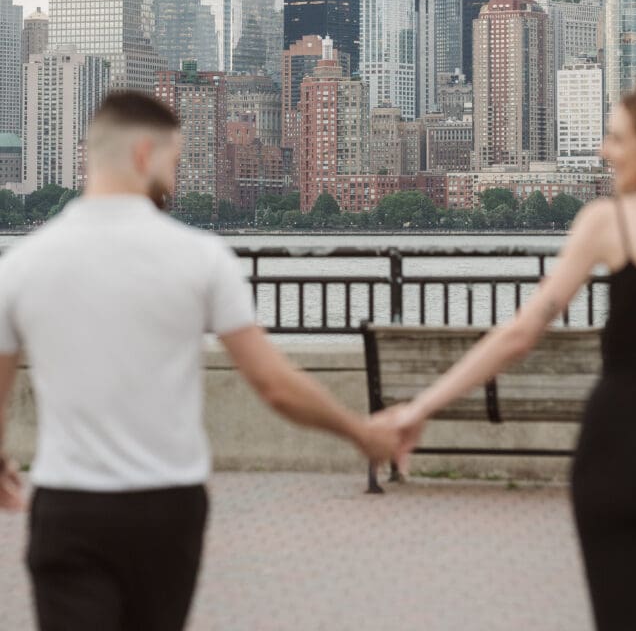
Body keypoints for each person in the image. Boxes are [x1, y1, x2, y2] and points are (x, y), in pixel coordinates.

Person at [392, 89, 636, 630]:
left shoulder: (606, 223)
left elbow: (520, 334)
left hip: (614, 455)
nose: (605, 152)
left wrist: (419, 408)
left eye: (617, 139)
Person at [0, 91, 399, 631]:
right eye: (174, 161)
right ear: (144, 154)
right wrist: (360, 433)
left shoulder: (21, 266)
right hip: (167, 507)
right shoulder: (201, 258)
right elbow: (274, 384)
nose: (175, 176)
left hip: (68, 506)